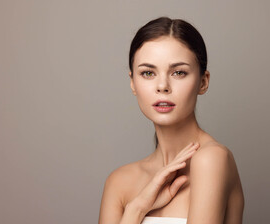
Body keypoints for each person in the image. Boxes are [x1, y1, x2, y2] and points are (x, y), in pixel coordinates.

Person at [98, 17, 244, 224]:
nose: (162, 86)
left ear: (203, 82)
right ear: (132, 83)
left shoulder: (211, 159)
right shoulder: (119, 182)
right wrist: (137, 208)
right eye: (148, 73)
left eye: (178, 72)